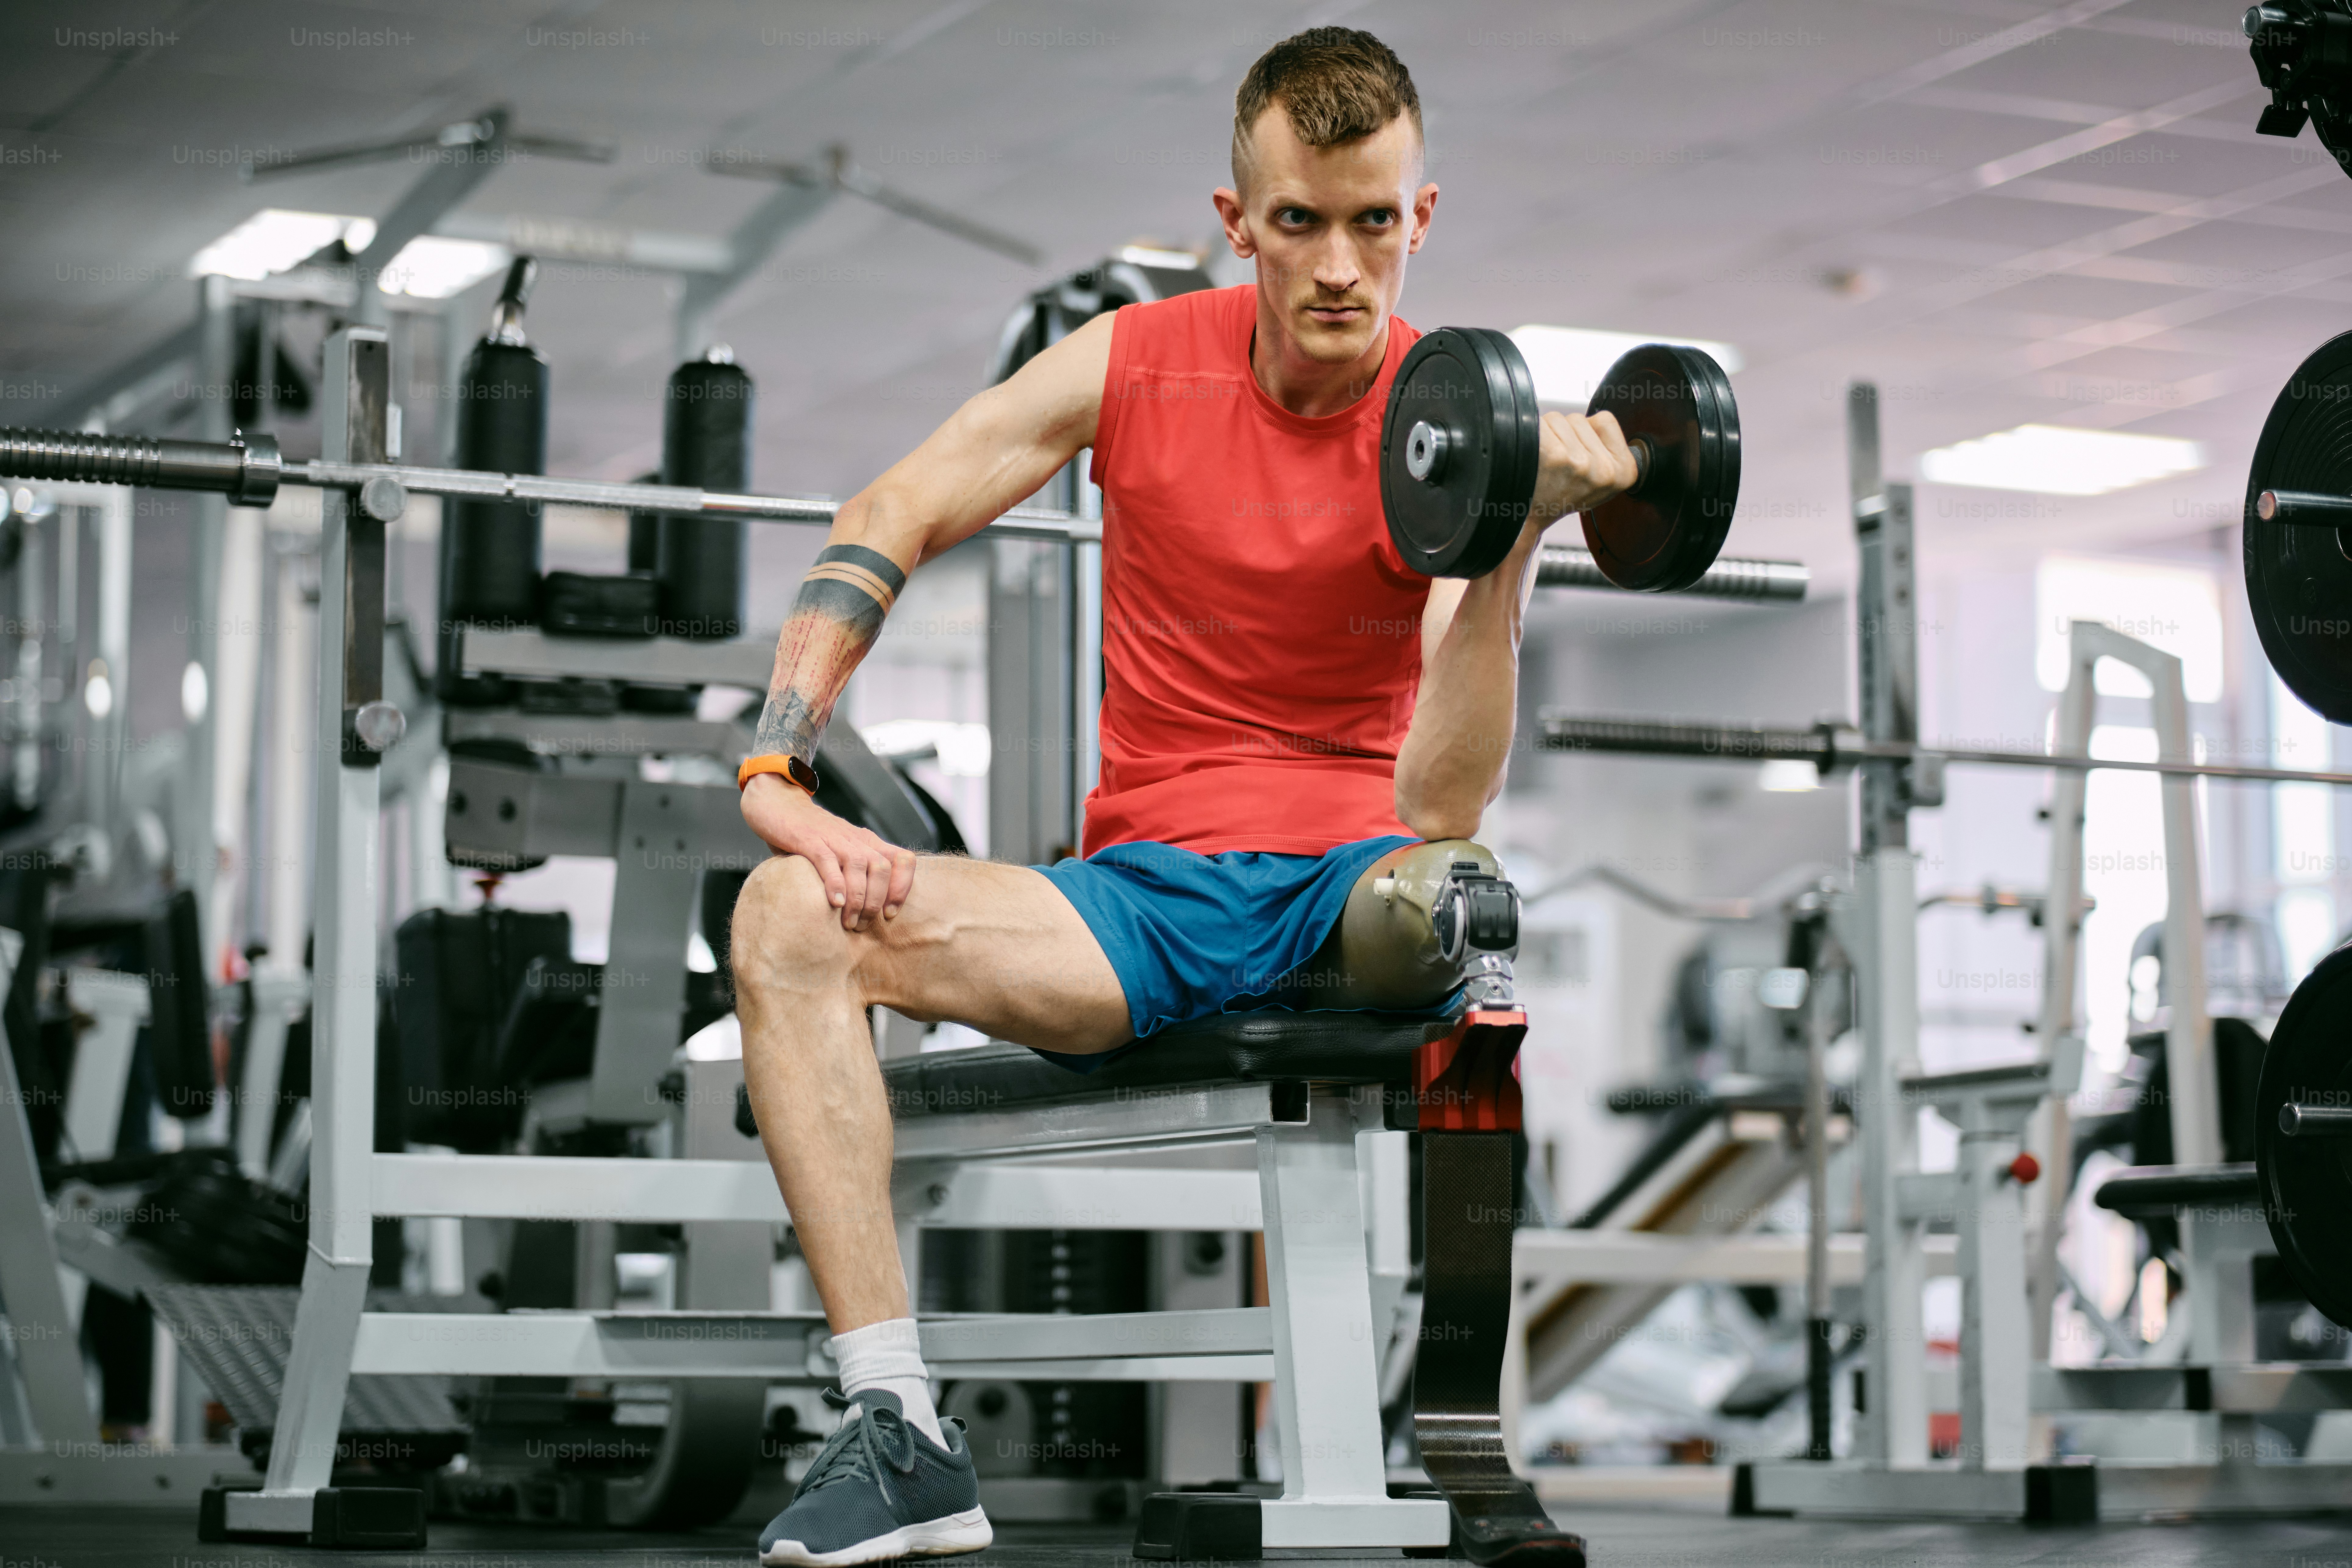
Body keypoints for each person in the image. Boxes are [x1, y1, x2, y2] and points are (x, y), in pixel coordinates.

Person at [730, 27, 1636, 1566]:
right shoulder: (1136, 362)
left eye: (1372, 222)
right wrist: (777, 769)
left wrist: (1509, 542)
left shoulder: (1452, 426)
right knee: (784, 917)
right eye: (1298, 223)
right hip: (1139, 904)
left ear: (1422, 217)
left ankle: (1467, 1445)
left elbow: (1441, 793)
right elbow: (892, 508)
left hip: (1358, 884)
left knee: (1458, 897)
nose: (1339, 267)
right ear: (1237, 223)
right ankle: (900, 1433)